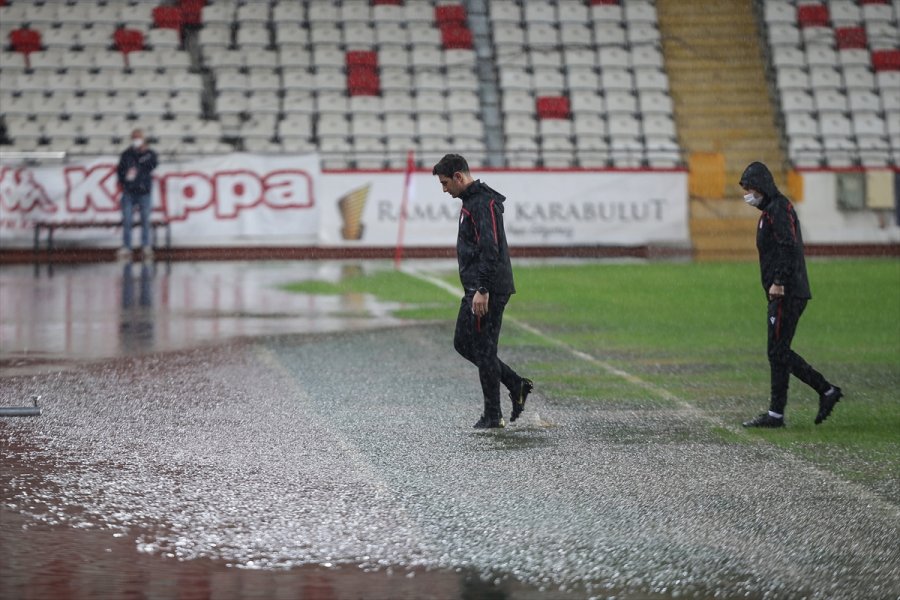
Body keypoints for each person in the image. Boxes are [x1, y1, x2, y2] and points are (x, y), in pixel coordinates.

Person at [432, 153, 533, 429]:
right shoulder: (473, 201)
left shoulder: (482, 203)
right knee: (464, 343)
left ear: (459, 177)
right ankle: (515, 384)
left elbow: (491, 248)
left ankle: (493, 414)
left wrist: (483, 288)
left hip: (488, 289)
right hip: (479, 288)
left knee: (484, 349)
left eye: (445, 183)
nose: (444, 190)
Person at [739, 161, 843, 428]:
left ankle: (825, 389)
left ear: (761, 186)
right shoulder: (770, 211)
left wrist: (778, 281)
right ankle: (776, 413)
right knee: (777, 351)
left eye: (750, 188)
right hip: (783, 291)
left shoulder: (779, 209)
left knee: (778, 351)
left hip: (787, 291)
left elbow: (788, 246)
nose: (748, 194)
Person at [116, 129, 158, 260]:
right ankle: (127, 247)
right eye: (134, 137)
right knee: (127, 220)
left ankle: (145, 246)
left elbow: (153, 165)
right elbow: (120, 171)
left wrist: (143, 154)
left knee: (145, 220)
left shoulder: (150, 153)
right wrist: (125, 181)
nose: (136, 140)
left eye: (138, 137)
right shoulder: (126, 154)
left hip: (144, 192)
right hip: (129, 192)